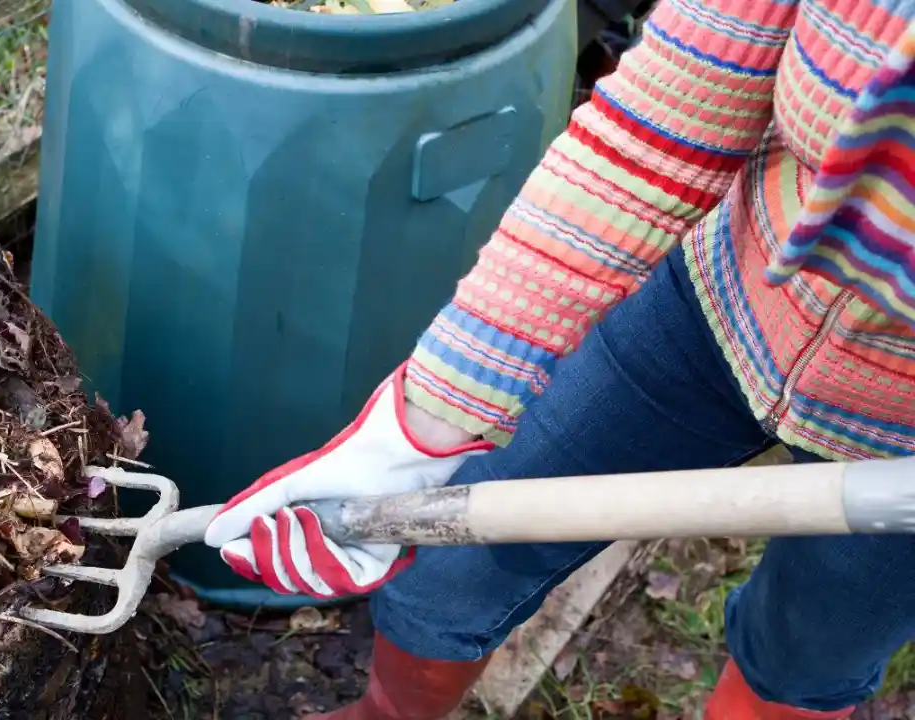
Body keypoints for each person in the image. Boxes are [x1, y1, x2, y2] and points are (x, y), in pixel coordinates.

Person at [204, 1, 915, 718]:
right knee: (452, 566)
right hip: (720, 303)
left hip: (903, 436)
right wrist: (418, 427)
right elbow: (661, 126)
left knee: (807, 656)